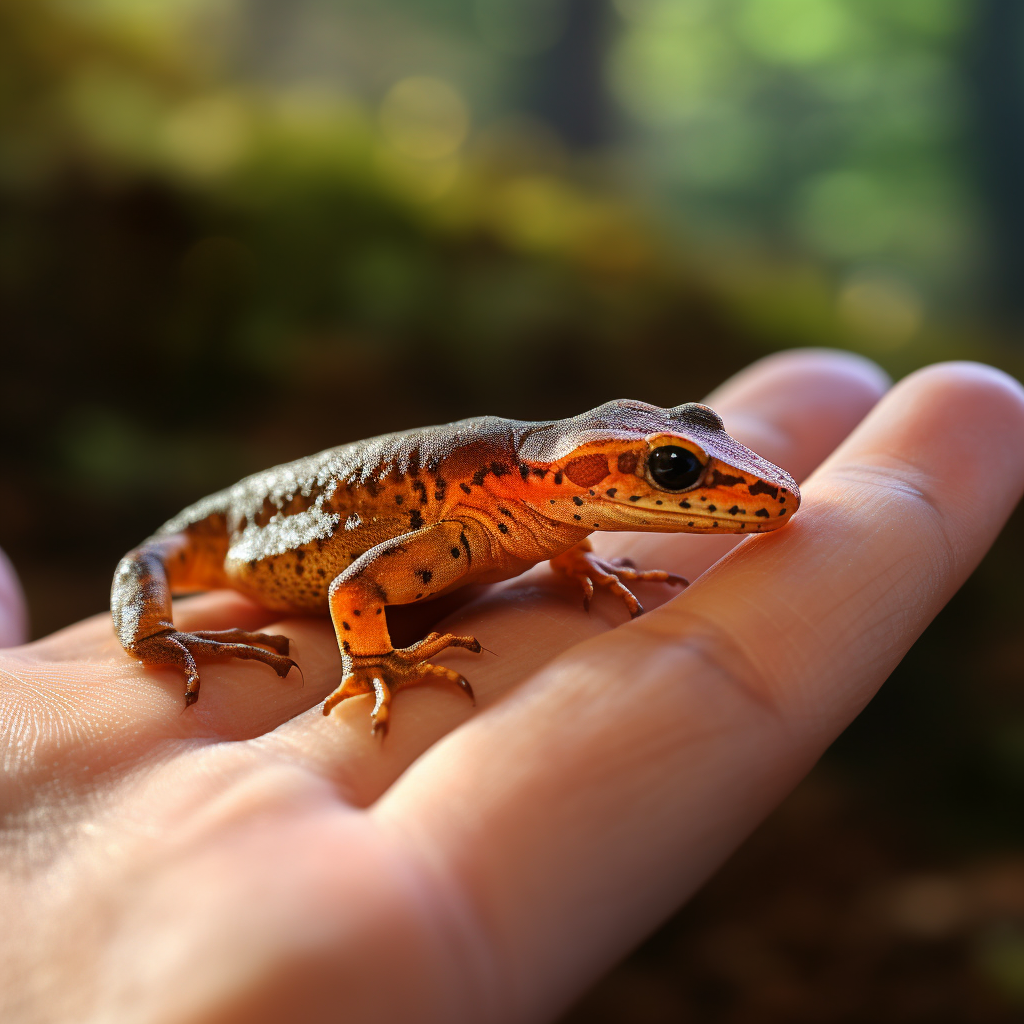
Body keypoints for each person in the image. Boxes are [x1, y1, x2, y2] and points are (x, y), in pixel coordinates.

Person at [2, 349, 1022, 1023]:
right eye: (672, 471)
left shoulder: (544, 509)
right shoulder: (477, 511)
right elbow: (360, 586)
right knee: (159, 601)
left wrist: (578, 561)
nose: (740, 484)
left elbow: (543, 542)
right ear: (576, 471)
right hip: (239, 545)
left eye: (690, 455)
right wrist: (370, 659)